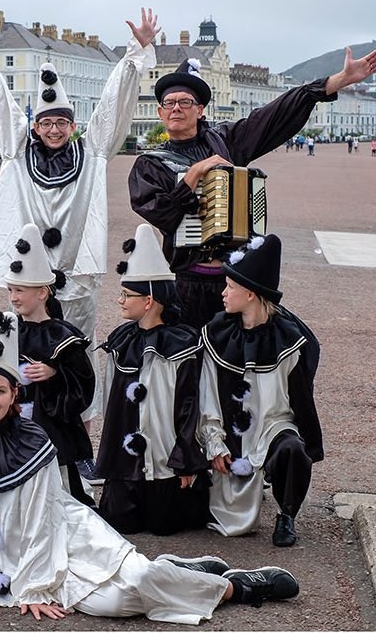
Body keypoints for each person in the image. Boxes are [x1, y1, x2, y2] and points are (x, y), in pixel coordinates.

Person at [0, 311, 300, 624]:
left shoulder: (31, 440)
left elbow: (39, 517)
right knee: (115, 605)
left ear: (15, 394)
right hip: (11, 554)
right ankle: (176, 569)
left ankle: (238, 586)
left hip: (60, 534)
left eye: (0, 391)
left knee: (139, 581)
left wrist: (35, 586)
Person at [0, 6, 160, 477]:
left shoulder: (91, 154)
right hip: (29, 282)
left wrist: (134, 54)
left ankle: (79, 446)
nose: (52, 129)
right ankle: (13, 437)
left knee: (75, 358)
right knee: (22, 353)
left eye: (61, 122)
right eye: (45, 122)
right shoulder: (15, 149)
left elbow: (114, 105)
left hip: (76, 278)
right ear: (36, 123)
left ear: (71, 123)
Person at [129, 46, 376, 330]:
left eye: (185, 102)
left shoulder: (225, 141)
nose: (176, 108)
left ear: (200, 110)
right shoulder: (149, 165)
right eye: (169, 103)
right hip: (186, 282)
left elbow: (273, 115)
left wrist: (333, 82)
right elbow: (163, 215)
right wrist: (192, 176)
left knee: (236, 362)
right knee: (190, 362)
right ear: (160, 112)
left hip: (233, 281)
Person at [197, 234, 323, 547]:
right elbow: (206, 393)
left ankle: (287, 514)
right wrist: (214, 442)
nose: (223, 293)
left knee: (293, 450)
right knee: (219, 515)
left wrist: (306, 442)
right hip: (229, 431)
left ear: (251, 294)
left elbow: (300, 399)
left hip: (273, 427)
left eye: (230, 287)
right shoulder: (217, 333)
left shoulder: (289, 339)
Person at [96, 224, 209, 535]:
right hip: (125, 464)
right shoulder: (121, 341)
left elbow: (189, 404)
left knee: (163, 524)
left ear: (148, 300)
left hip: (164, 461)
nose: (120, 300)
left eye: (127, 295)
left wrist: (186, 459)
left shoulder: (182, 346)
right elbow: (114, 406)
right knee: (120, 523)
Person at [0, 223, 96, 504]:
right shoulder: (3, 330)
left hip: (51, 429)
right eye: (11, 290)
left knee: (56, 494)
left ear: (43, 292)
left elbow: (84, 386)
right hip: (10, 425)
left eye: (21, 290)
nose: (14, 297)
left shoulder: (62, 337)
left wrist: (55, 374)